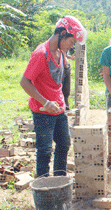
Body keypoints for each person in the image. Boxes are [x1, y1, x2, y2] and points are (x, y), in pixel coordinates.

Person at [20, 15, 87, 177]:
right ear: (62, 33)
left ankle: (59, 180)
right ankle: (44, 187)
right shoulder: (40, 54)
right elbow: (24, 82)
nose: (71, 46)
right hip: (42, 111)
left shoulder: (61, 52)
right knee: (45, 150)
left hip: (59, 109)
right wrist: (45, 101)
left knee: (64, 144)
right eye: (71, 42)